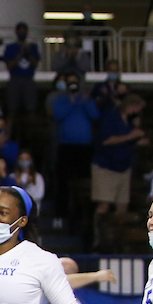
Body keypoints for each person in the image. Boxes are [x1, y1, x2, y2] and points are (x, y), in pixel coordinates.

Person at [92, 93, 147, 225]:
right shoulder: (110, 118)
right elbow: (106, 140)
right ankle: (99, 237)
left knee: (122, 204)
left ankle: (117, 236)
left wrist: (137, 140)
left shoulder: (129, 122)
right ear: (129, 106)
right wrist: (130, 136)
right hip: (106, 166)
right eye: (137, 108)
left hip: (124, 167)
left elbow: (129, 143)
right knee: (104, 204)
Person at [52, 74, 99, 221]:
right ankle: (61, 214)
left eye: (75, 82)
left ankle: (80, 216)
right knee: (64, 181)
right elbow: (58, 114)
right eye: (70, 82)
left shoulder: (86, 100)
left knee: (84, 183)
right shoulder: (60, 100)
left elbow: (95, 115)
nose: (73, 85)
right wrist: (72, 102)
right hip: (66, 147)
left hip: (84, 148)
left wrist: (84, 102)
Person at [3, 22, 40, 118]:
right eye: (20, 31)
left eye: (24, 31)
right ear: (16, 32)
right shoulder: (10, 47)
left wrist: (28, 53)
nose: (22, 33)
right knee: (11, 109)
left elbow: (35, 64)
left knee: (31, 109)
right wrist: (20, 53)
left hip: (28, 79)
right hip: (15, 78)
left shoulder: (33, 47)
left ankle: (31, 132)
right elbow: (9, 65)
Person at [13, 150, 44, 216]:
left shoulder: (38, 177)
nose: (24, 161)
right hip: (17, 213)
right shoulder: (12, 176)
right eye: (22, 159)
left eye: (26, 159)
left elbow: (39, 194)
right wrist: (18, 184)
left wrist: (29, 185)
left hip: (33, 212)